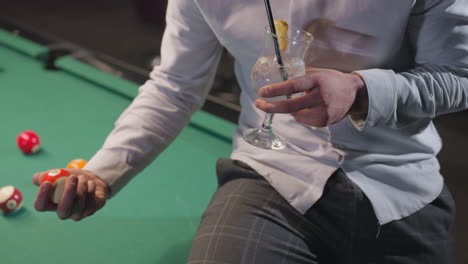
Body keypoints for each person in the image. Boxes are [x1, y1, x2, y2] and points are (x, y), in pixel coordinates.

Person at [33, 0, 468, 263]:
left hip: (398, 183)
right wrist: (103, 171)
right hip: (271, 174)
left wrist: (361, 89)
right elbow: (174, 86)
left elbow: (459, 75)